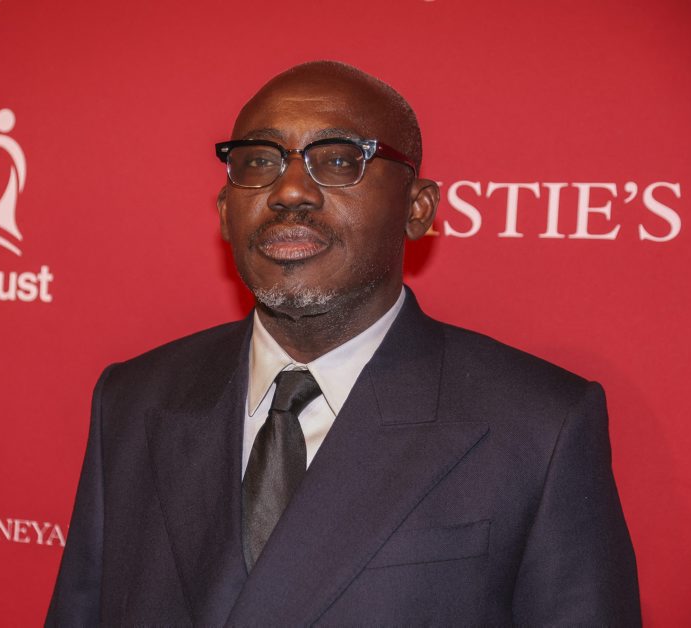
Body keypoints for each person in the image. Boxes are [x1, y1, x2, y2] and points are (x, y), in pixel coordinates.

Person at [46, 60, 640, 625]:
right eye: (259, 161)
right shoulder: (133, 397)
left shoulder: (539, 426)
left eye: (337, 160)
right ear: (225, 211)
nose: (290, 191)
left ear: (418, 209)